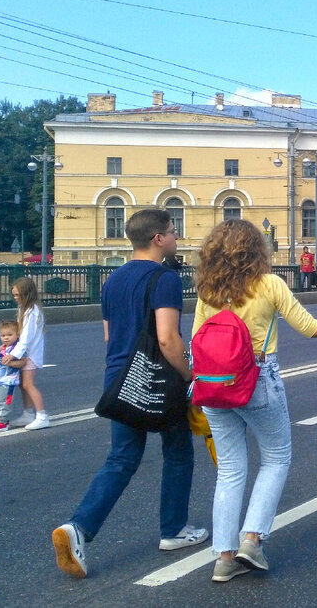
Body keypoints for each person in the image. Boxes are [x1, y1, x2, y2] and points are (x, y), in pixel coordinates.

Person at [193, 219, 317, 582]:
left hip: (214, 385)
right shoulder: (268, 284)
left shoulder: (208, 289)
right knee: (276, 458)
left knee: (231, 470)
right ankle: (252, 540)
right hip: (257, 379)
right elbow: (310, 327)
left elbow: (197, 340)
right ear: (256, 249)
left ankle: (223, 558)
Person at [52, 210, 205, 580]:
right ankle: (173, 530)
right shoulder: (164, 278)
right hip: (159, 380)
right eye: (172, 231)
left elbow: (110, 335)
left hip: (119, 378)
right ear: (157, 239)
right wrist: (190, 375)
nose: (176, 236)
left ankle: (79, 528)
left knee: (121, 459)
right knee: (179, 451)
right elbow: (168, 338)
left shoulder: (112, 280)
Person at [2, 277, 50, 430]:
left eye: (18, 295)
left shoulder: (32, 311)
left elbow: (26, 338)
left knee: (28, 384)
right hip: (25, 353)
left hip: (30, 354)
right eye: (14, 295)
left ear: (27, 293)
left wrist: (13, 354)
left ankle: (42, 415)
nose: (15, 298)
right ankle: (28, 414)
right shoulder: (25, 309)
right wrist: (6, 346)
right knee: (23, 385)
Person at [0, 319, 22, 431]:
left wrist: (12, 363)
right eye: (3, 335)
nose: (6, 338)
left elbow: (23, 362)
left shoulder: (17, 349)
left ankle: (3, 421)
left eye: (9, 335)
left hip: (8, 381)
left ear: (17, 334)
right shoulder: (3, 347)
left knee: (5, 401)